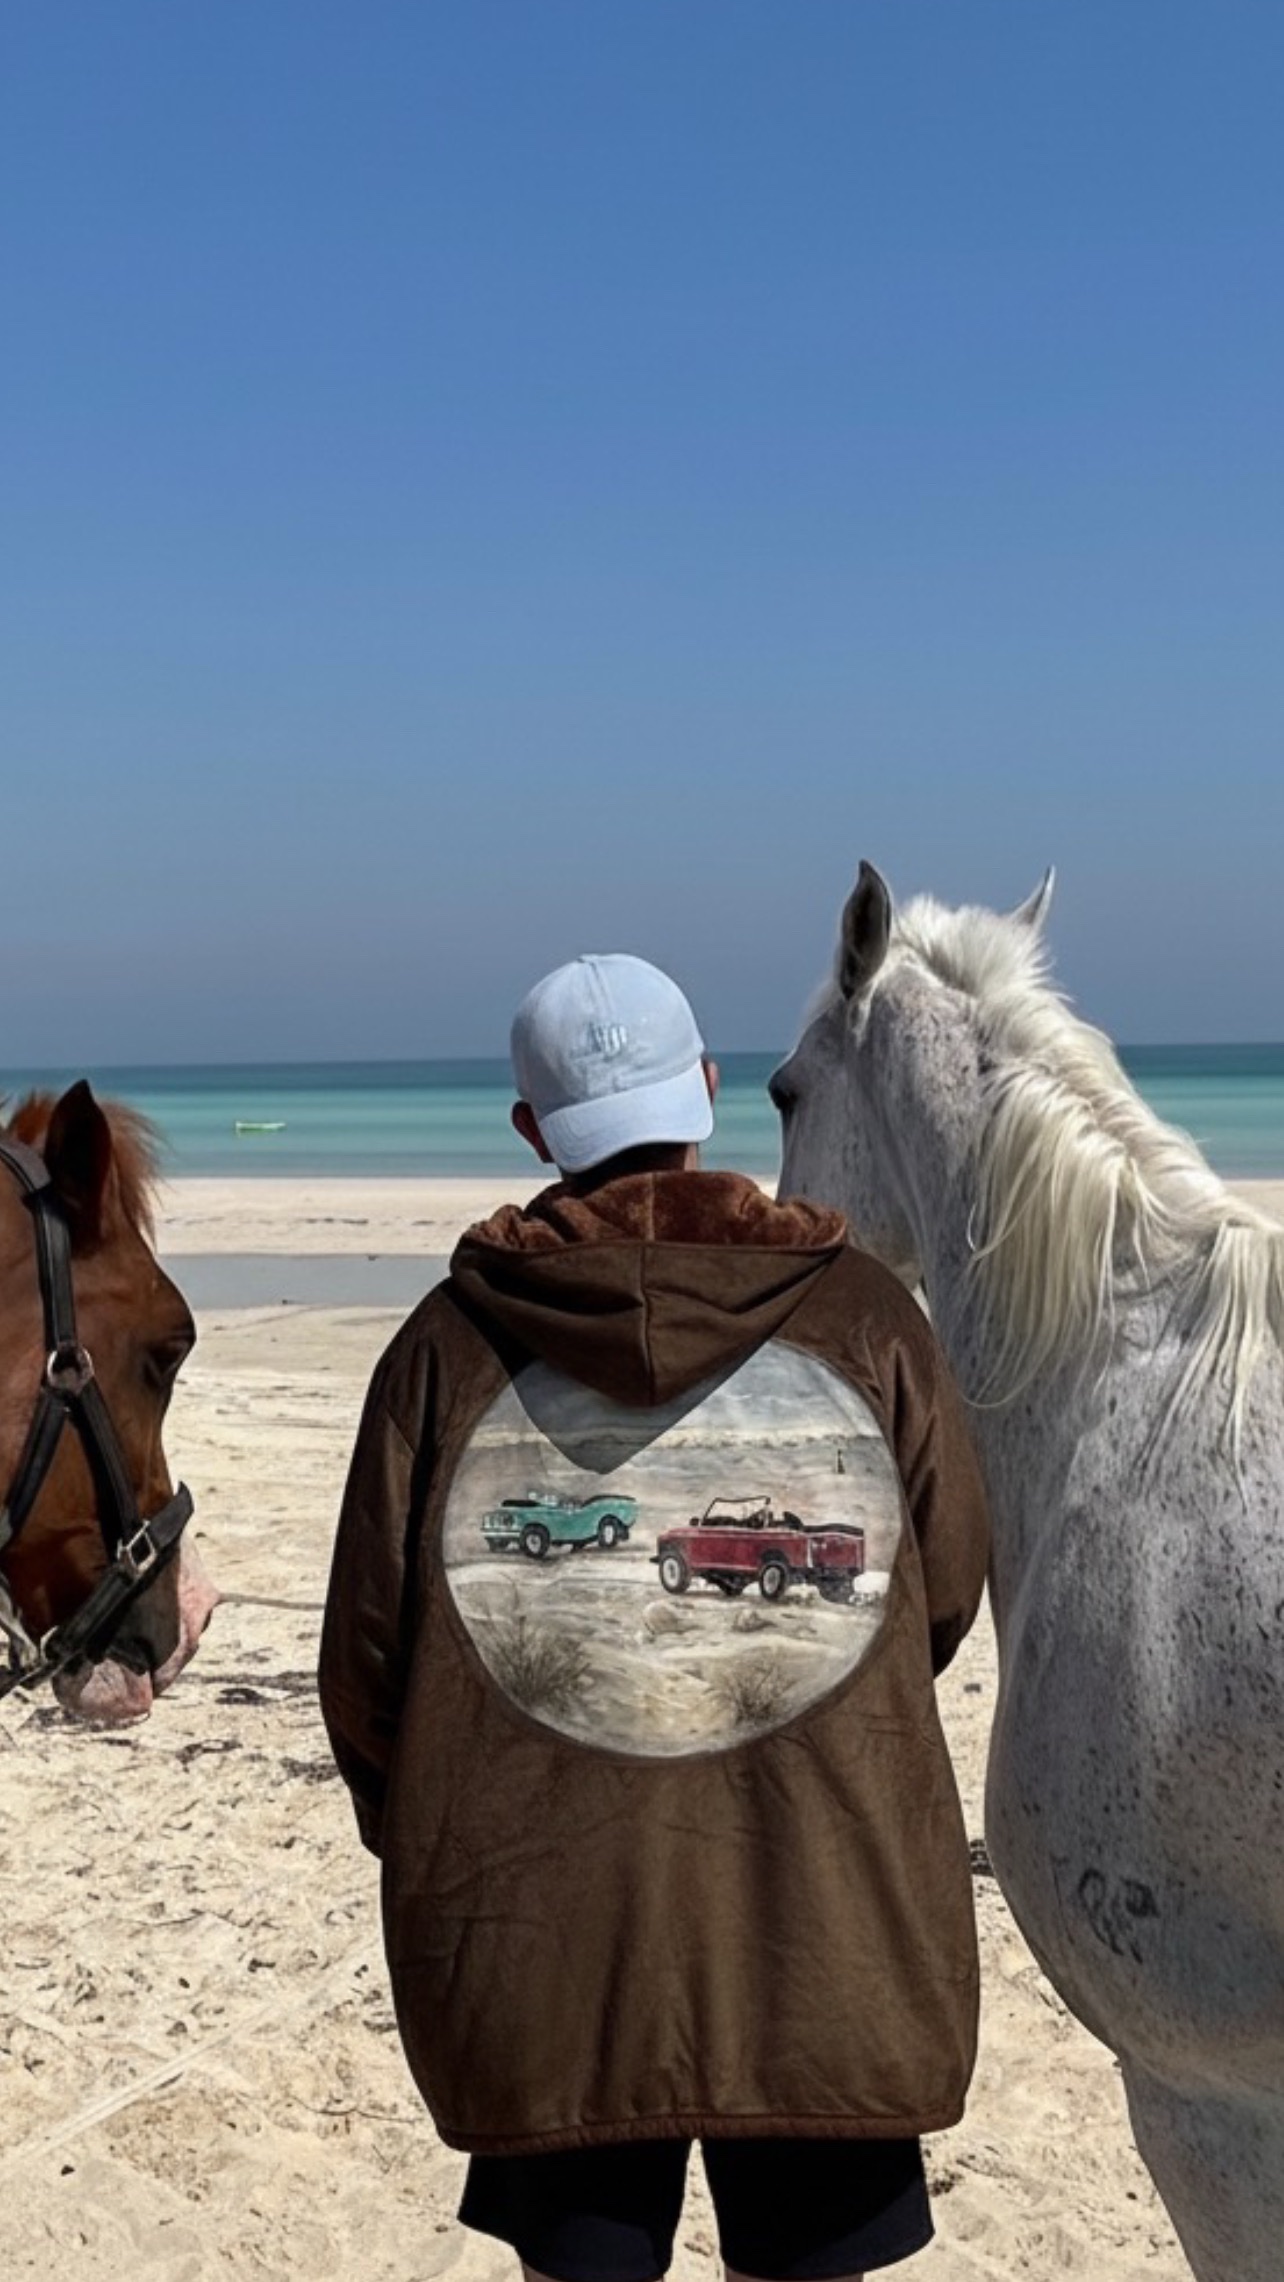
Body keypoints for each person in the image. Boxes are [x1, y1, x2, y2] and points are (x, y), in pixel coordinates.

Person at [319, 952, 989, 2282]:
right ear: (709, 1088)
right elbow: (944, 1586)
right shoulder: (865, 1316)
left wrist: (457, 1817)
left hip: (541, 1932)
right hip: (823, 1916)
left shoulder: (447, 1346)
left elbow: (369, 1670)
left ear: (533, 1130)